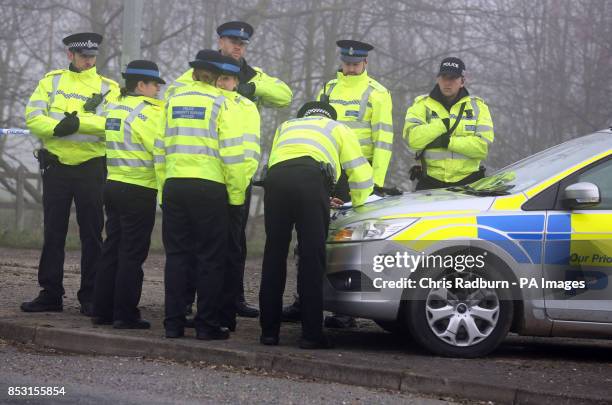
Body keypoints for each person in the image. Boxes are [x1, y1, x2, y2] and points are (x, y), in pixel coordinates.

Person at [165, 21, 291, 318]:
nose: (238, 47)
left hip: (237, 170)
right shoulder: (191, 77)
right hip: (205, 171)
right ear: (220, 41)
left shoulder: (249, 74)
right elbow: (174, 100)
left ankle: (231, 299)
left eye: (243, 43)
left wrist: (251, 86)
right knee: (199, 244)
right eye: (233, 41)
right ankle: (188, 301)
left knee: (234, 240)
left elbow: (284, 95)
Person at [283, 39, 393, 328]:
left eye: (356, 64)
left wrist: (376, 182)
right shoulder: (328, 89)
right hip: (326, 171)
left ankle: (345, 311)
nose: (351, 68)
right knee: (309, 237)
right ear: (341, 61)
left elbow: (383, 140)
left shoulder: (378, 93)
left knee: (348, 241)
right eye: (347, 63)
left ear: (366, 63)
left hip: (357, 175)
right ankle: (303, 299)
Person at [259, 101, 373, 349]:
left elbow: (284, 163)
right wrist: (358, 204)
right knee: (312, 257)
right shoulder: (337, 127)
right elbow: (360, 173)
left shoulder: (286, 126)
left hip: (275, 182)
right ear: (329, 116)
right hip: (311, 181)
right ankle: (311, 335)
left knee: (274, 255)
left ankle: (268, 333)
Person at [21, 32, 119, 315]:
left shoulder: (108, 87)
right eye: (83, 56)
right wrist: (55, 129)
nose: (88, 61)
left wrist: (76, 124)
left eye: (92, 56)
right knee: (54, 232)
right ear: (70, 56)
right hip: (56, 166)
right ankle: (50, 294)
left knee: (91, 234)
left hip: (91, 167)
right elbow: (33, 116)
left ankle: (90, 296)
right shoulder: (51, 81)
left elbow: (111, 123)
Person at [160, 50, 246, 340]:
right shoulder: (222, 103)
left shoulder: (172, 101)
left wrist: (163, 189)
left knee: (177, 256)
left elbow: (160, 149)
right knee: (210, 258)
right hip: (209, 188)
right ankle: (206, 325)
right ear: (216, 78)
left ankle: (173, 323)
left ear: (195, 74)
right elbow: (233, 154)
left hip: (174, 184)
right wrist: (235, 196)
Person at [90, 60, 166, 329]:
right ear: (140, 85)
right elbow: (158, 149)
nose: (158, 89)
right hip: (138, 188)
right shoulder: (149, 112)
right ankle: (125, 314)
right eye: (155, 84)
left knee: (112, 248)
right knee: (132, 253)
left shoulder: (115, 107)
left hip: (112, 184)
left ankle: (101, 310)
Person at [213, 61, 261, 332]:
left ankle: (229, 307)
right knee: (208, 249)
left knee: (233, 248)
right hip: (211, 181)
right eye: (220, 78)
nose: (224, 83)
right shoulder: (209, 100)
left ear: (237, 82)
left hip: (237, 182)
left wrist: (239, 184)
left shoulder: (247, 107)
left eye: (229, 79)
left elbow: (251, 149)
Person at [403, 57, 494, 190]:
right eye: (444, 77)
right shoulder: (421, 105)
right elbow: (412, 140)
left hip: (469, 184)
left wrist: (448, 142)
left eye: (453, 78)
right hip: (430, 183)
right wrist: (442, 125)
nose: (447, 82)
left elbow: (482, 148)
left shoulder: (478, 107)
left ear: (462, 81)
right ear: (437, 79)